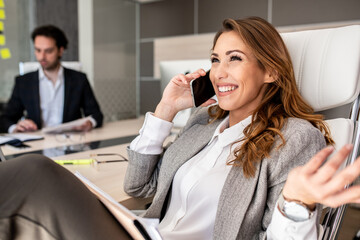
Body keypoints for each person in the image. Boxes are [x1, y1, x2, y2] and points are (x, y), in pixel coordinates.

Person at [0, 17, 359, 239]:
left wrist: (295, 204)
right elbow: (138, 185)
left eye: (235, 59)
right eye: (215, 60)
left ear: (271, 71)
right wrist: (166, 109)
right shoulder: (205, 120)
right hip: (142, 229)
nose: (219, 72)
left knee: (34, 172)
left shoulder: (295, 138)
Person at [0, 25, 103, 133]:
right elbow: (5, 119)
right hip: (38, 144)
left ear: (60, 50)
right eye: (38, 50)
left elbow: (96, 115)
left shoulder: (79, 79)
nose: (42, 56)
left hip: (71, 142)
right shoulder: (23, 82)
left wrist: (90, 123)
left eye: (48, 51)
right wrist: (16, 127)